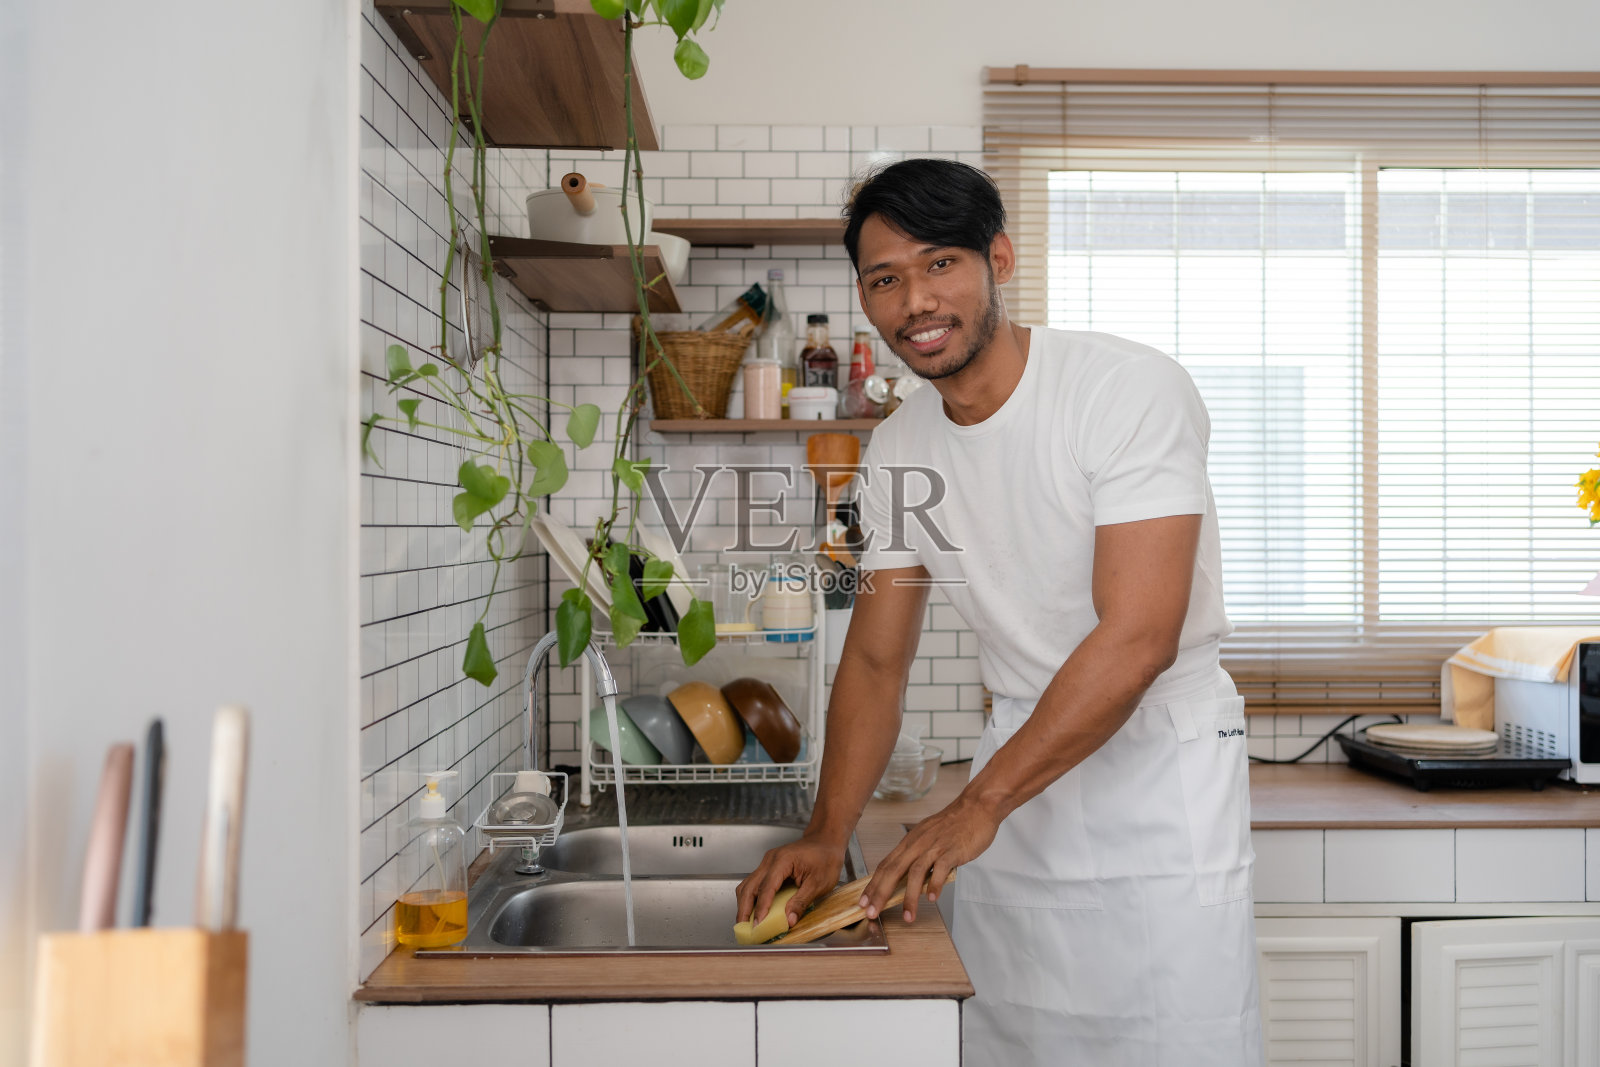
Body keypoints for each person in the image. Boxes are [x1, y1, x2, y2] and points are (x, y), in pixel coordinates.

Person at [734, 158, 1264, 1066]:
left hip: (1158, 775)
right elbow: (874, 663)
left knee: (1176, 1040)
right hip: (1018, 778)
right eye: (886, 279)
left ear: (1001, 258)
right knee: (1007, 1036)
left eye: (940, 263)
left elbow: (1138, 637)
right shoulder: (900, 446)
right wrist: (827, 832)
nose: (916, 301)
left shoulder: (1123, 391)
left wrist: (977, 805)